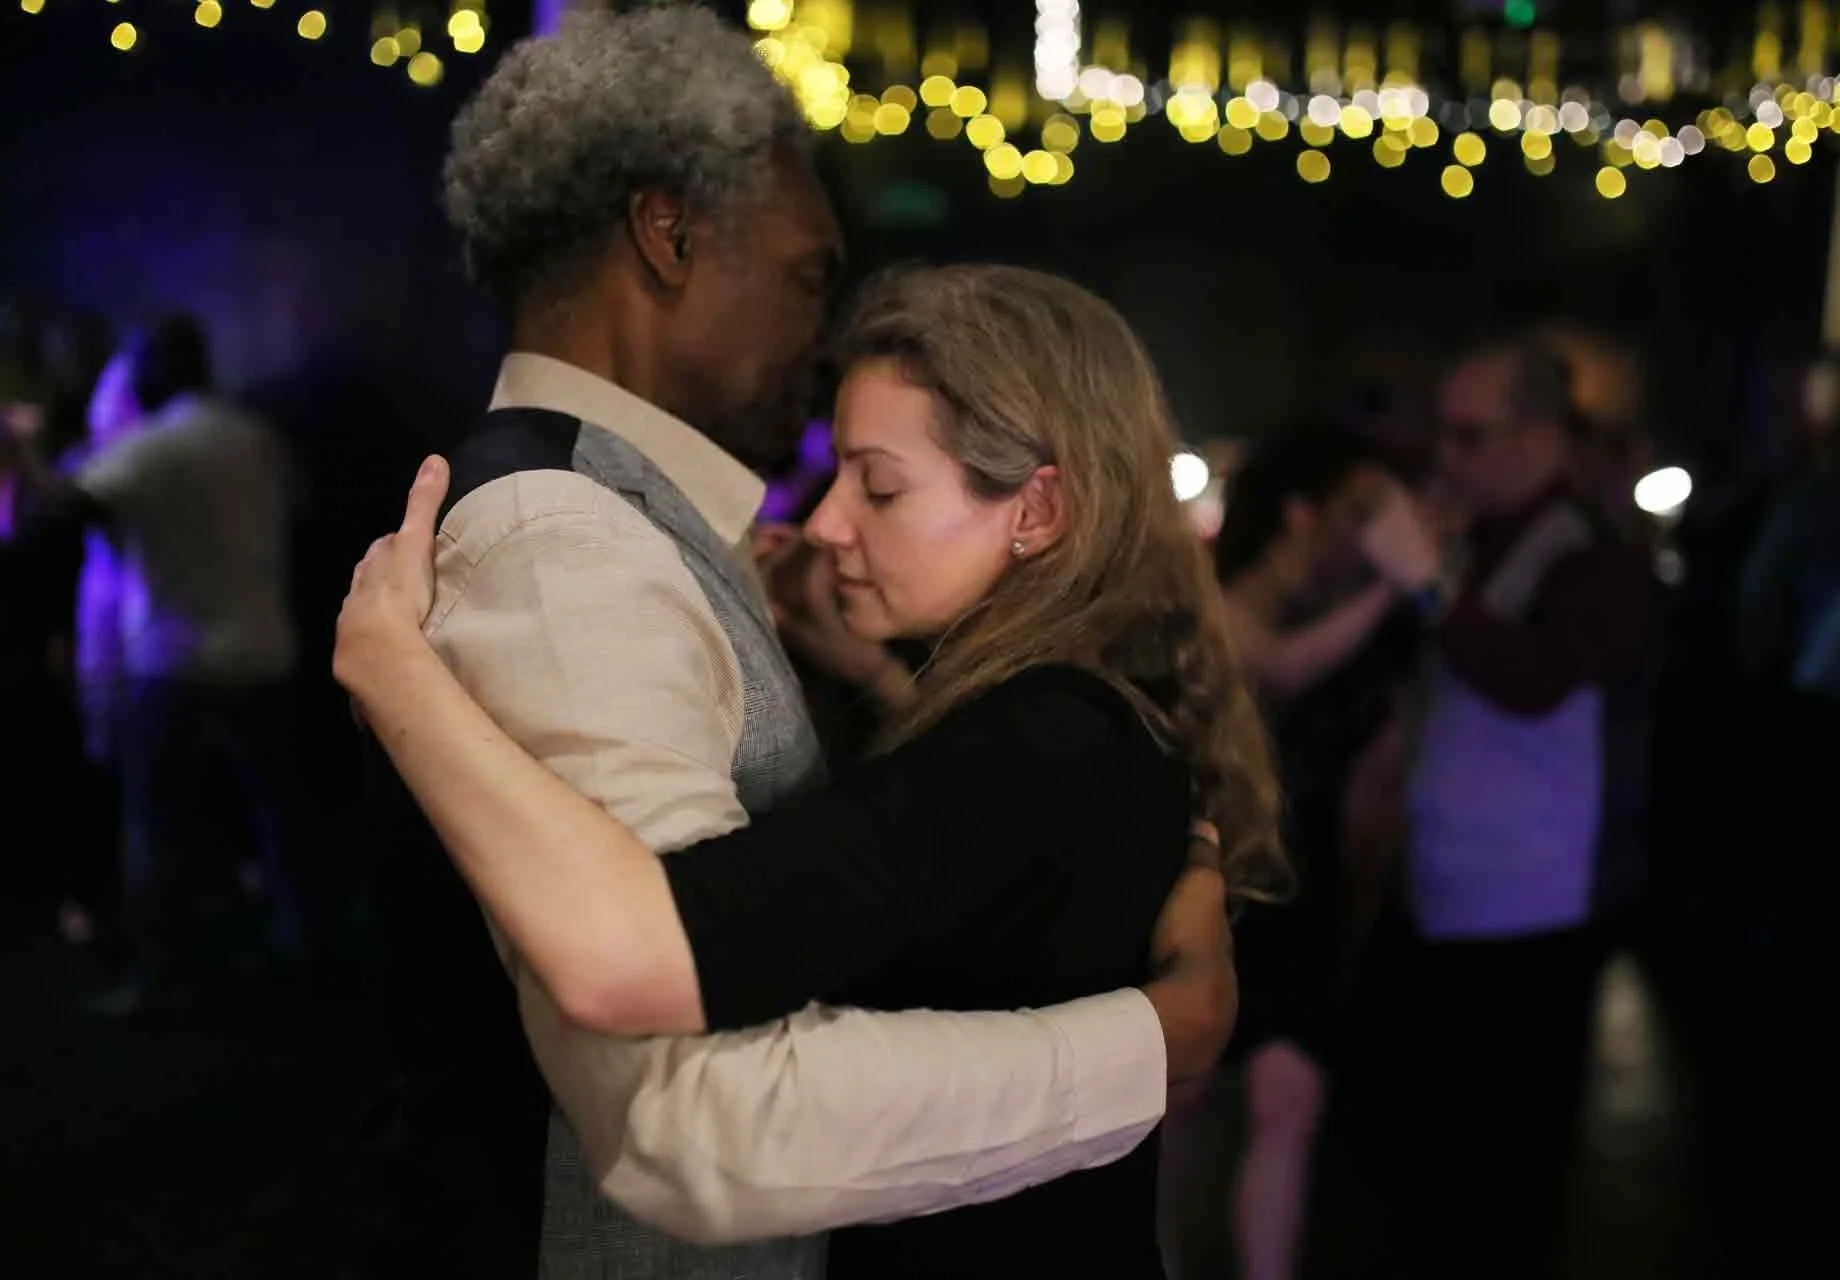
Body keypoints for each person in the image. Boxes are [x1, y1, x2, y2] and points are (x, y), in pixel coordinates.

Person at [355, 9, 1242, 1277]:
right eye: (805, 276)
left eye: (879, 487)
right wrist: (1158, 1039)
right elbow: (692, 1104)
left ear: (1040, 506)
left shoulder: (620, 521)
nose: (813, 332)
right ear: (668, 238)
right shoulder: (565, 534)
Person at [1354, 337, 1660, 1278]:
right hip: (1448, 892)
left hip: (1536, 908)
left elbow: (1531, 679)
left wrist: (1430, 583)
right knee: (1423, 1168)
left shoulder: (1594, 555)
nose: (1447, 457)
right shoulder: (1487, 534)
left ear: (1537, 437)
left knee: (1500, 1184)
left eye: (1468, 435)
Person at [1161, 422, 1419, 1280]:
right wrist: (1402, 580)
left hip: (1299, 890)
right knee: (1182, 1101)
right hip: (1216, 884)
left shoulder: (1354, 630)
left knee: (1289, 1101)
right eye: (1356, 512)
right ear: (1301, 514)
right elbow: (1279, 669)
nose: (1370, 531)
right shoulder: (1222, 603)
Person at [0, 314, 308, 1015]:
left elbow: (50, 512)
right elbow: (300, 502)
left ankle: (159, 977)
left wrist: (21, 453)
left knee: (156, 830)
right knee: (278, 817)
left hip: (175, 658)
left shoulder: (151, 449)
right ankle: (306, 955)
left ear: (150, 372)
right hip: (268, 649)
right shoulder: (254, 434)